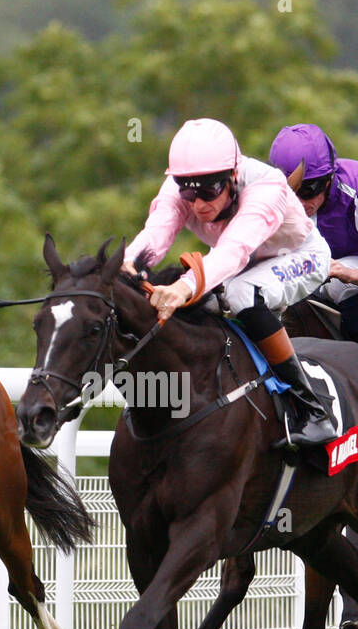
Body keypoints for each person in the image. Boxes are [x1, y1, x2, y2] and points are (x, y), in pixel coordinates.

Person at [124, 118, 336, 446]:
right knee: (199, 302)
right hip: (241, 260)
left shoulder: (268, 188)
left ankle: (312, 406)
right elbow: (155, 235)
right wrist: (123, 267)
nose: (197, 204)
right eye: (188, 193)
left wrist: (183, 287)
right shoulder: (182, 188)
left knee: (239, 294)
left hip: (298, 256)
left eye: (209, 191)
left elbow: (233, 252)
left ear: (233, 176)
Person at [267, 124, 358, 353]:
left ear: (329, 179)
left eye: (307, 190)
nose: (297, 203)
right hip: (318, 271)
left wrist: (353, 275)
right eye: (289, 192)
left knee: (339, 284)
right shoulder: (269, 199)